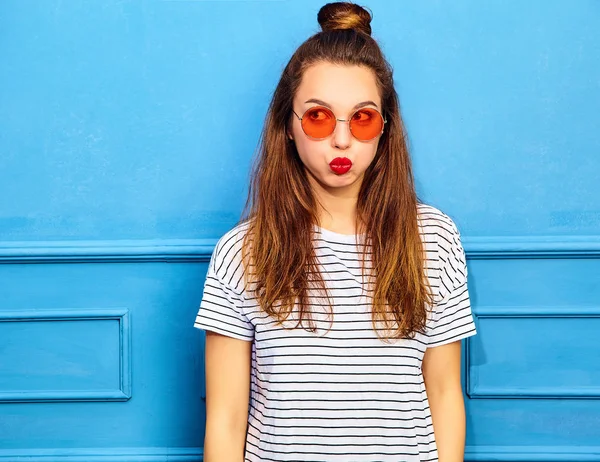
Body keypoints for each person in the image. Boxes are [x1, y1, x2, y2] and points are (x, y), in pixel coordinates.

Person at [193, 2, 477, 461]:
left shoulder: (434, 239)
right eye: (319, 117)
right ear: (288, 125)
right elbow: (225, 422)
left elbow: (445, 394)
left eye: (362, 118)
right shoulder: (241, 252)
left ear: (385, 128)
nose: (341, 140)